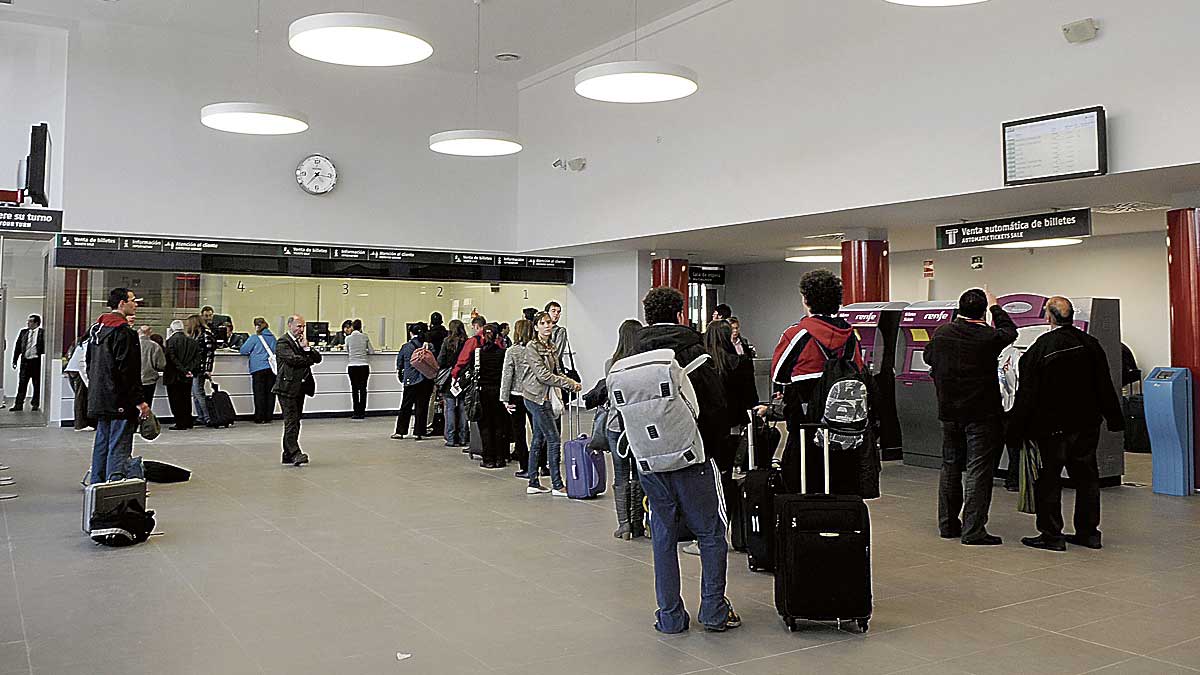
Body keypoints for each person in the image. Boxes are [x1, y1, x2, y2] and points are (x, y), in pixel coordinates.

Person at [629, 287, 739, 634]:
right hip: (693, 459)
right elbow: (718, 412)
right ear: (680, 316)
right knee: (710, 532)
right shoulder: (696, 356)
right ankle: (713, 610)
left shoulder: (631, 359)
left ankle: (670, 616)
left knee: (662, 534)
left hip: (649, 459)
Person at [1010, 297, 1123, 551]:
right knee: (1087, 479)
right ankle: (1089, 533)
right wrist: (1114, 419)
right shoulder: (1090, 343)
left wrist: (1015, 431)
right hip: (1086, 424)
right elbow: (1105, 384)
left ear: (1049, 317)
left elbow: (1027, 392)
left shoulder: (1042, 347)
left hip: (1052, 427)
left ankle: (1052, 535)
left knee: (1049, 480)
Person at [924, 288, 1017, 546]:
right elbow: (1011, 332)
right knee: (978, 469)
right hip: (981, 413)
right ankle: (973, 529)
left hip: (949, 412)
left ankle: (947, 524)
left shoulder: (942, 333)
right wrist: (997, 308)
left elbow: (927, 356)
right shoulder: (988, 336)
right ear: (983, 312)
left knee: (950, 466)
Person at [769, 270, 870, 494]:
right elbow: (859, 370)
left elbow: (779, 375)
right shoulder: (851, 336)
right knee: (839, 479)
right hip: (842, 422)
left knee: (803, 475)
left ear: (806, 300)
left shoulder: (798, 333)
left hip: (806, 419)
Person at [87, 288, 150, 483]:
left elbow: (89, 363)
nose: (136, 304)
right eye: (132, 300)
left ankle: (97, 484)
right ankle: (114, 487)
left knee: (102, 441)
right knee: (119, 445)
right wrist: (139, 401)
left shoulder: (96, 330)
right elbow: (128, 371)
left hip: (100, 397)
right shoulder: (124, 333)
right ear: (122, 304)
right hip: (121, 398)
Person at [519, 311, 581, 496]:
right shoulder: (532, 347)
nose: (547, 326)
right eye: (543, 323)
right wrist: (568, 383)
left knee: (538, 439)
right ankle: (557, 484)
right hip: (535, 398)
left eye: (549, 322)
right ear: (536, 327)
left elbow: (557, 370)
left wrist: (571, 382)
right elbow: (543, 375)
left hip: (545, 397)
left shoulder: (551, 347)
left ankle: (533, 482)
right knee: (553, 439)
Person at [605, 318, 646, 539]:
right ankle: (638, 522)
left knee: (620, 475)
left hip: (615, 426)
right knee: (640, 473)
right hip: (639, 425)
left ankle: (624, 524)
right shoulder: (644, 365)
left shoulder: (611, 364)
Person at [272, 314, 322, 466]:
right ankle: (294, 452)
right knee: (291, 421)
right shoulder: (282, 342)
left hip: (300, 387)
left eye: (303, 327)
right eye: (298, 326)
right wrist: (308, 358)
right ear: (290, 325)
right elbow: (293, 360)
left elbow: (318, 358)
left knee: (295, 421)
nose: (301, 330)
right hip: (286, 388)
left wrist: (307, 348)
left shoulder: (302, 343)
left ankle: (287, 453)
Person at [501, 319, 534, 478]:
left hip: (516, 395)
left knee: (519, 433)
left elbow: (507, 376)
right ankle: (542, 464)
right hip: (534, 395)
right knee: (538, 432)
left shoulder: (512, 351)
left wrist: (504, 399)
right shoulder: (536, 350)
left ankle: (525, 466)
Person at [475, 323, 509, 468]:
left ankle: (488, 458)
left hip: (483, 391)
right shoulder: (503, 353)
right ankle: (500, 457)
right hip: (499, 391)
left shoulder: (478, 353)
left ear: (483, 335)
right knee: (499, 425)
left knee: (485, 426)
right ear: (497, 336)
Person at [393, 322, 433, 440]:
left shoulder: (406, 346)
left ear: (411, 333)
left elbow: (399, 363)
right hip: (426, 379)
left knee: (406, 406)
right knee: (422, 406)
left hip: (411, 379)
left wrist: (401, 373)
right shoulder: (428, 347)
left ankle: (400, 431)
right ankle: (419, 432)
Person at [165, 318, 203, 430]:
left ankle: (179, 422)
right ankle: (188, 421)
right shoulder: (192, 341)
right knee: (186, 399)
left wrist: (183, 370)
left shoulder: (170, 341)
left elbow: (172, 358)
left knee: (175, 400)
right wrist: (188, 369)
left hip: (174, 376)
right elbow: (197, 358)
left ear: (172, 329)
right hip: (188, 376)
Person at [239, 317, 277, 424]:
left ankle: (260, 417)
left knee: (259, 393)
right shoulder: (273, 338)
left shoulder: (255, 338)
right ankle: (269, 416)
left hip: (258, 368)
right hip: (271, 369)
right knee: (270, 393)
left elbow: (243, 350)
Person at [439, 320, 469, 447]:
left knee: (449, 409)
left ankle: (450, 438)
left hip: (449, 378)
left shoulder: (447, 342)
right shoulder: (467, 342)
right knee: (463, 408)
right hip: (463, 378)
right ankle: (463, 437)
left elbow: (441, 360)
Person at [11, 314, 44, 412]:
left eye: (30, 321)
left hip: (36, 362)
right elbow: (18, 346)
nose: (28, 323)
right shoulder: (23, 332)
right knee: (22, 383)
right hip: (25, 362)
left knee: (36, 383)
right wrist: (15, 360)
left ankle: (35, 403)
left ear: (36, 323)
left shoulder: (42, 333)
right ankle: (18, 404)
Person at [64, 334, 95, 431]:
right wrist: (88, 381)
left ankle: (81, 423)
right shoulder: (89, 342)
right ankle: (80, 424)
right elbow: (83, 362)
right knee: (81, 398)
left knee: (80, 398)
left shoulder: (83, 342)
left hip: (74, 369)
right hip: (78, 371)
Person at [192, 307, 217, 426]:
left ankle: (207, 417)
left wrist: (207, 369)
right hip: (197, 367)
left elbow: (209, 352)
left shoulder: (205, 334)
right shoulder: (200, 334)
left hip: (200, 367)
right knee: (196, 393)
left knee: (198, 392)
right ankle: (201, 416)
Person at [346, 319, 374, 420]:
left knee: (354, 389)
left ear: (352, 327)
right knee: (363, 389)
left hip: (352, 366)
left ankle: (355, 412)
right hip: (363, 366)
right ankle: (362, 412)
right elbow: (371, 351)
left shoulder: (348, 338)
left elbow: (347, 351)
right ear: (361, 327)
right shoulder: (365, 337)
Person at [138, 325, 166, 408]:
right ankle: (146, 420)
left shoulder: (131, 344)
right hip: (149, 380)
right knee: (147, 405)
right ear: (149, 333)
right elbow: (161, 365)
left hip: (134, 381)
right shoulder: (155, 346)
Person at [545, 301, 570, 370]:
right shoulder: (540, 330)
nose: (556, 314)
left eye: (558, 312)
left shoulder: (560, 331)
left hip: (554, 370)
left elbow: (557, 354)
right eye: (553, 311)